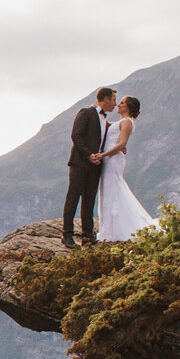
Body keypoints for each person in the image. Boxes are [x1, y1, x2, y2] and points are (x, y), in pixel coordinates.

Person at [61, 87, 116, 246]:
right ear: (105, 99)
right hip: (80, 164)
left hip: (95, 166)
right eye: (113, 100)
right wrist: (88, 155)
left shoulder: (105, 120)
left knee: (89, 200)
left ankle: (87, 234)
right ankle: (67, 235)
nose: (115, 104)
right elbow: (76, 136)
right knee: (73, 198)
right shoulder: (86, 113)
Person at [96, 95, 154, 241]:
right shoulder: (122, 121)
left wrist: (103, 155)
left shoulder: (127, 122)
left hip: (113, 159)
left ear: (128, 107)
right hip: (110, 158)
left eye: (121, 103)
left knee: (113, 188)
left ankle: (115, 230)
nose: (118, 105)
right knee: (108, 190)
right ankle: (109, 229)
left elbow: (121, 144)